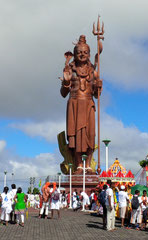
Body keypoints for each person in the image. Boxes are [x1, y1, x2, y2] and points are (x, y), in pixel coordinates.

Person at [60, 35, 102, 174]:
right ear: (75, 54)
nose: (82, 55)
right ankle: (78, 165)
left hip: (89, 104)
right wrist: (66, 82)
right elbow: (63, 93)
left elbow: (96, 95)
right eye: (79, 52)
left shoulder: (93, 72)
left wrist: (98, 86)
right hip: (75, 104)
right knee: (76, 137)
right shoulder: (70, 70)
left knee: (90, 135)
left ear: (89, 54)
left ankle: (88, 165)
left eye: (85, 52)